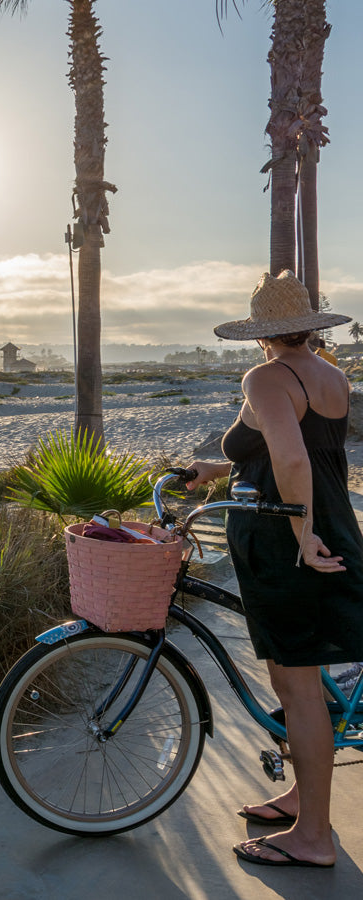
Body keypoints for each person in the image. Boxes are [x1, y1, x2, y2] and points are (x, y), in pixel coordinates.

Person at [184, 270, 361, 869]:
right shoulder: (330, 376)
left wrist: (302, 535)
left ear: (262, 334)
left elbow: (290, 458)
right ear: (307, 327)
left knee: (302, 688)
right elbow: (292, 448)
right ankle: (301, 796)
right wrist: (216, 468)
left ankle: (313, 837)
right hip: (325, 528)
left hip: (289, 544)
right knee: (293, 678)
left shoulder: (263, 376)